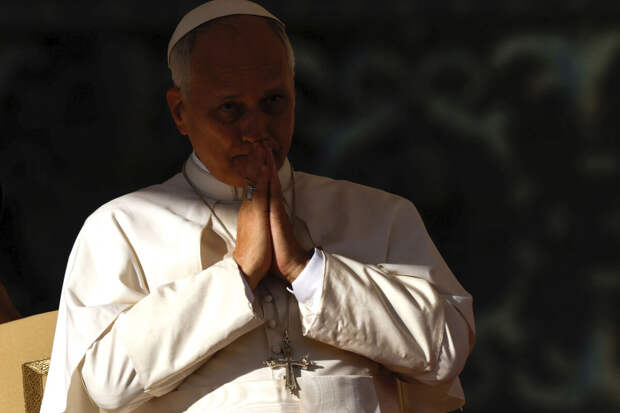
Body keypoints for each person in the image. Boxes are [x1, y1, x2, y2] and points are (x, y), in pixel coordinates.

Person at [41, 1, 475, 412]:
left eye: (273, 102)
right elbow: (105, 382)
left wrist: (307, 269)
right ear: (180, 111)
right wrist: (238, 274)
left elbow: (445, 350)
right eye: (230, 109)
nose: (256, 129)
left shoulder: (379, 215)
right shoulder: (121, 228)